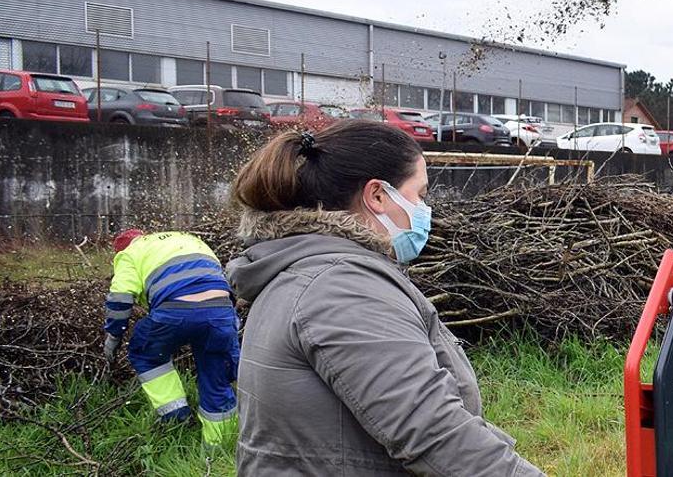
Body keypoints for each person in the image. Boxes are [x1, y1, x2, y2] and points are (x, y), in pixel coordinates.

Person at [226, 122, 542, 476]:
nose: (424, 209)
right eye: (419, 194)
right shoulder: (342, 289)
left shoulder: (302, 271)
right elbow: (435, 433)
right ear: (377, 195)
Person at [103, 228, 240, 447]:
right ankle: (218, 446)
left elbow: (120, 298)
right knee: (216, 374)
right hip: (220, 312)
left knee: (146, 354)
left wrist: (113, 336)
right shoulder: (186, 239)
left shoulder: (131, 252)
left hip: (173, 312)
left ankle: (176, 417)